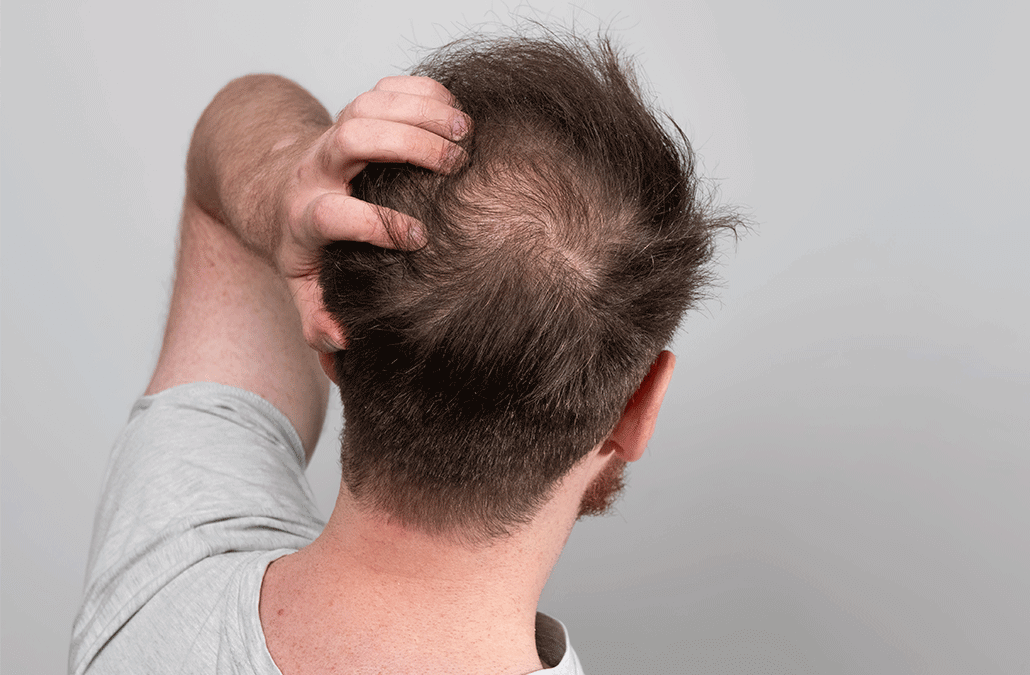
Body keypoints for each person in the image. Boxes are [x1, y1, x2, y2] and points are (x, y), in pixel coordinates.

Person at [71, 31, 739, 674]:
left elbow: (238, 123)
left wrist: (283, 184)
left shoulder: (166, 566)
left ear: (330, 324)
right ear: (638, 410)